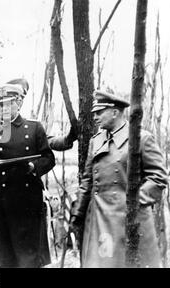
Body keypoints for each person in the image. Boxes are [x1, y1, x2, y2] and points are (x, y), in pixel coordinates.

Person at [69, 90, 168, 268]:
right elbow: (87, 180)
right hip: (99, 219)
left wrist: (133, 203)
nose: (95, 118)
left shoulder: (141, 139)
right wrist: (78, 212)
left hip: (130, 221)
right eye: (94, 113)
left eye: (100, 113)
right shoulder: (96, 141)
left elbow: (158, 178)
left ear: (115, 112)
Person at [0, 83, 55, 268]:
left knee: (26, 258)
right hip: (1, 199)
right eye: (0, 105)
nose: (4, 109)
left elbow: (49, 158)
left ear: (18, 104)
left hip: (26, 200)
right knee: (2, 259)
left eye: (8, 104)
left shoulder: (34, 128)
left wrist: (34, 166)